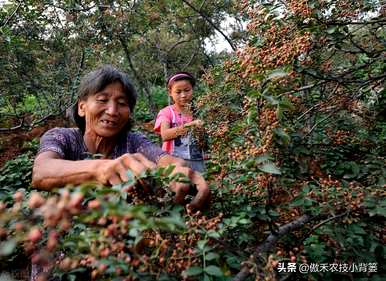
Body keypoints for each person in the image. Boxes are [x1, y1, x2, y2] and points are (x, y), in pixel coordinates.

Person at [32, 65, 210, 210]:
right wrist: (101, 169)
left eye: (122, 103)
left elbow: (164, 159)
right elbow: (42, 171)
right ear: (82, 107)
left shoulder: (133, 141)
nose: (112, 111)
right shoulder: (61, 137)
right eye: (102, 100)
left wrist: (179, 170)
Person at [154, 72, 206, 173]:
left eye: (187, 90)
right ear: (170, 92)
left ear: (192, 89)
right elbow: (165, 135)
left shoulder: (199, 112)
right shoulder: (166, 112)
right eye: (178, 92)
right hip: (173, 163)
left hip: (197, 161)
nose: (183, 95)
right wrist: (190, 126)